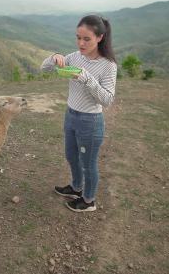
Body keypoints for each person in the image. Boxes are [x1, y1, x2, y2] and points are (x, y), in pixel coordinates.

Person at [41, 15, 117, 212]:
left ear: (100, 37)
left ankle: (89, 200)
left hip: (90, 121)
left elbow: (107, 99)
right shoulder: (75, 57)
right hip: (71, 115)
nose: (81, 43)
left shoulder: (108, 65)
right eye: (78, 38)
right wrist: (54, 58)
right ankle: (76, 188)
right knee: (71, 156)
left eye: (86, 39)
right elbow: (45, 68)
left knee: (88, 163)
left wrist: (85, 77)